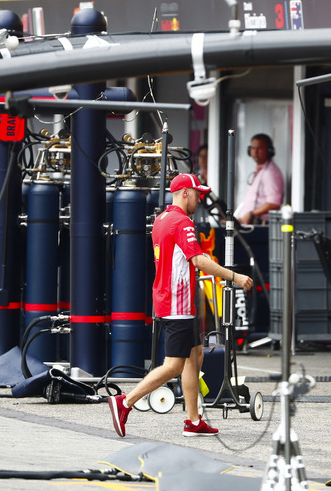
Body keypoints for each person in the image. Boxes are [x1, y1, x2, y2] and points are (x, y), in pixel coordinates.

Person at [108, 173, 254, 437]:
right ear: (184, 192)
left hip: (169, 300)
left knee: (194, 356)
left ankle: (193, 421)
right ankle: (125, 402)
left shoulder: (162, 219)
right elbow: (198, 260)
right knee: (174, 365)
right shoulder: (182, 222)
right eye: (197, 193)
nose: (199, 198)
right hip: (178, 303)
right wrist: (235, 276)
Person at [236, 133, 284, 225]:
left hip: (263, 224)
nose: (255, 152)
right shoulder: (260, 171)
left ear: (269, 151)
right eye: (253, 148)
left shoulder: (271, 173)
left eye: (260, 148)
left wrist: (251, 214)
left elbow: (274, 203)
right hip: (253, 224)